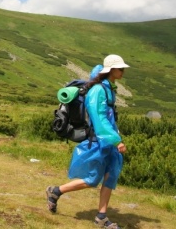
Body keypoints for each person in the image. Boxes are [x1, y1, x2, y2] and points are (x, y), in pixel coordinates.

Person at [45, 54, 130, 229]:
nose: (123, 71)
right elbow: (99, 119)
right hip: (100, 141)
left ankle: (101, 217)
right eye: (120, 68)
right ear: (111, 70)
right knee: (91, 180)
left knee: (111, 176)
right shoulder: (99, 90)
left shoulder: (109, 88)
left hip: (109, 142)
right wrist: (116, 140)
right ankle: (55, 191)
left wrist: (115, 137)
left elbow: (109, 117)